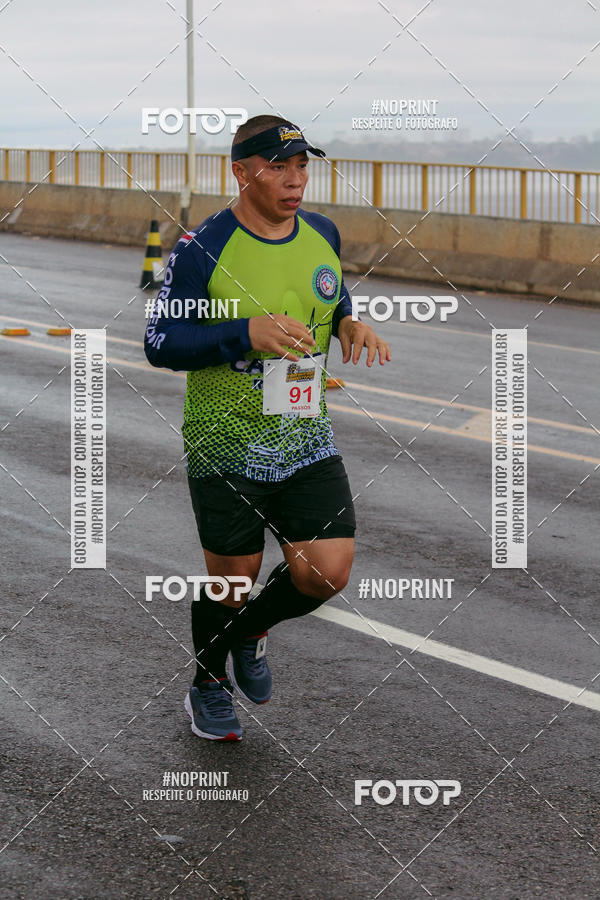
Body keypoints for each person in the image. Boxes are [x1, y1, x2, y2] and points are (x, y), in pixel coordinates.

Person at [144, 115, 391, 741]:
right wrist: (244, 332)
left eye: (302, 165)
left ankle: (250, 630)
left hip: (304, 432)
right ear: (241, 171)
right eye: (277, 167)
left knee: (326, 571)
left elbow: (328, 293)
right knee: (232, 580)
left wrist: (349, 324)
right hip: (225, 440)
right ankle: (208, 681)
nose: (294, 180)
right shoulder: (201, 249)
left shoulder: (323, 231)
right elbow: (160, 341)